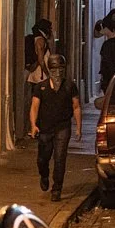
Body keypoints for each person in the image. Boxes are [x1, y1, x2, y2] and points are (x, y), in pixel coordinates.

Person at [29, 53, 82, 201]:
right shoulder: (41, 87)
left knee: (60, 158)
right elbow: (34, 107)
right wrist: (33, 125)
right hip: (45, 128)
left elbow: (76, 107)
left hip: (63, 127)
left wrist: (78, 127)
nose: (57, 73)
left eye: (60, 69)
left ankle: (57, 189)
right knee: (43, 158)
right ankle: (44, 175)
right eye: (54, 69)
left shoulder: (70, 86)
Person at [26, 19, 54, 86]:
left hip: (37, 75)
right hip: (40, 75)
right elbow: (41, 60)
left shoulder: (39, 39)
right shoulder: (41, 40)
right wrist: (47, 74)